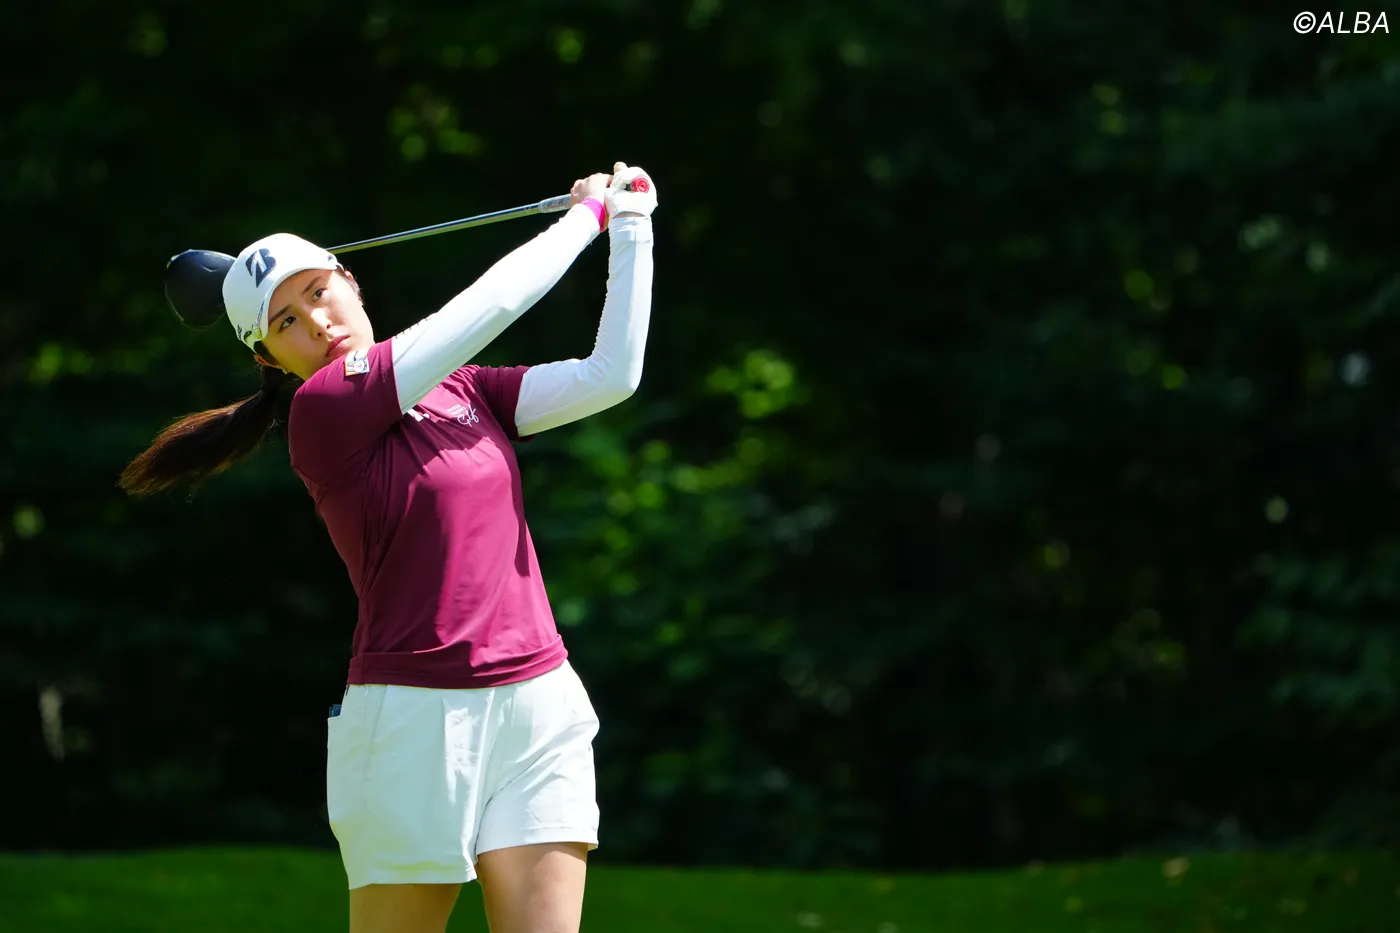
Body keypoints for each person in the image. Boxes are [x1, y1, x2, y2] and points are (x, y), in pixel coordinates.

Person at [120, 163, 658, 933]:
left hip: (539, 701)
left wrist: (632, 227)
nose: (317, 321)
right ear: (270, 358)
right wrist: (586, 220)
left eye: (318, 291)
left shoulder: (467, 389)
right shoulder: (322, 410)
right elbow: (488, 306)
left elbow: (611, 377)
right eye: (286, 321)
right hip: (415, 721)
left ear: (350, 280)